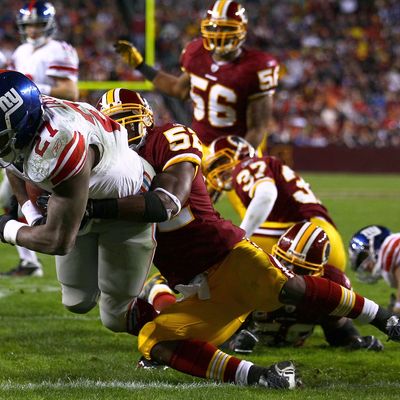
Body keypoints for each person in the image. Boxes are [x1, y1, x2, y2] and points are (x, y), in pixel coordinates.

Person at [87, 88, 400, 389]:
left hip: (225, 255)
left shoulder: (169, 137)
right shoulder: (108, 167)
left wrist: (93, 208)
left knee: (286, 286)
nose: (124, 128)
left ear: (147, 118)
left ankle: (385, 319)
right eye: (115, 122)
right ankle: (264, 376)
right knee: (154, 339)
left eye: (129, 118)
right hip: (196, 288)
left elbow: (166, 203)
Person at [0, 70, 156, 336]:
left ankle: (171, 329)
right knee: (76, 300)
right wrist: (32, 215)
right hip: (80, 198)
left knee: (116, 314)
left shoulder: (59, 143)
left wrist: (6, 228)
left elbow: (57, 241)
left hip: (126, 201)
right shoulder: (29, 116)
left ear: (23, 125)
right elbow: (14, 165)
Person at [114, 0, 279, 215]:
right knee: (185, 213)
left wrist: (235, 158)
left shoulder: (257, 67)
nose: (219, 34)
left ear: (242, 31)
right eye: (214, 27)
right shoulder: (196, 53)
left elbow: (258, 127)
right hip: (201, 146)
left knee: (258, 213)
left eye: (226, 28)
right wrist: (141, 66)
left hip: (239, 148)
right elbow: (177, 89)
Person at [1, 1, 80, 277]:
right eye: (28, 25)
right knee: (8, 192)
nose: (32, 30)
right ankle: (31, 257)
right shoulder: (21, 51)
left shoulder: (60, 50)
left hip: (52, 129)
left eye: (37, 24)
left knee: (54, 193)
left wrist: (34, 87)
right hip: (23, 130)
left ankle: (50, 242)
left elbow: (70, 89)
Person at [228, 222, 384, 353]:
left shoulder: (331, 284)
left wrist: (353, 341)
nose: (289, 274)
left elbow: (337, 330)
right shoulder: (254, 274)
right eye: (284, 263)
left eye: (300, 269)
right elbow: (217, 327)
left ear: (318, 272)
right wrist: (233, 341)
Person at [203, 135, 347, 272]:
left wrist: (240, 237)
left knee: (221, 247)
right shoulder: (267, 165)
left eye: (221, 161)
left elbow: (266, 195)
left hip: (305, 238)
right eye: (214, 166)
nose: (218, 171)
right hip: (327, 240)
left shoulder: (246, 165)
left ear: (239, 153)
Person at [349, 225, 400, 314]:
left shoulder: (390, 248)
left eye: (363, 257)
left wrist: (397, 308)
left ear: (375, 244)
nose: (364, 266)